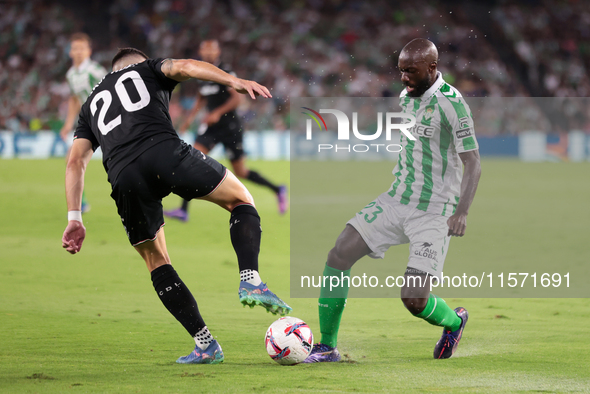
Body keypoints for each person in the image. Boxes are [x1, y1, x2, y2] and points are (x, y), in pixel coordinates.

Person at [61, 48, 292, 365]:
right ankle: (250, 279)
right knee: (241, 199)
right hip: (165, 153)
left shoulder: (90, 105)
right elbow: (185, 66)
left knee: (156, 261)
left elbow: (75, 162)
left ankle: (206, 345)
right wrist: (232, 80)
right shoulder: (147, 69)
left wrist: (75, 216)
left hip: (124, 177)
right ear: (138, 62)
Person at [304, 38, 482, 363]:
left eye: (410, 71)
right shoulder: (406, 96)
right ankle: (327, 345)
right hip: (396, 200)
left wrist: (463, 212)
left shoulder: (452, 105)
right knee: (339, 252)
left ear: (432, 67)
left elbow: (474, 162)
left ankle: (455, 322)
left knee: (414, 300)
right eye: (401, 71)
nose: (403, 78)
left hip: (433, 212)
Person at [164, 40, 287, 222]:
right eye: (205, 50)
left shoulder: (226, 72)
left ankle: (278, 190)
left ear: (218, 52)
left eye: (212, 50)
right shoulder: (200, 72)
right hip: (212, 128)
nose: (208, 54)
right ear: (201, 52)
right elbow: (201, 98)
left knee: (241, 172)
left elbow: (236, 100)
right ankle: (183, 210)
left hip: (230, 127)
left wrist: (217, 113)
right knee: (191, 160)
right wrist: (189, 118)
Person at [60, 33, 108, 213]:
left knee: (119, 159)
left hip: (105, 121)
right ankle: (82, 203)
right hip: (88, 123)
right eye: (75, 48)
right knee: (71, 160)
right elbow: (74, 99)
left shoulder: (95, 71)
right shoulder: (71, 74)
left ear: (89, 51)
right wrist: (68, 124)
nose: (78, 52)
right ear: (70, 52)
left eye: (82, 48)